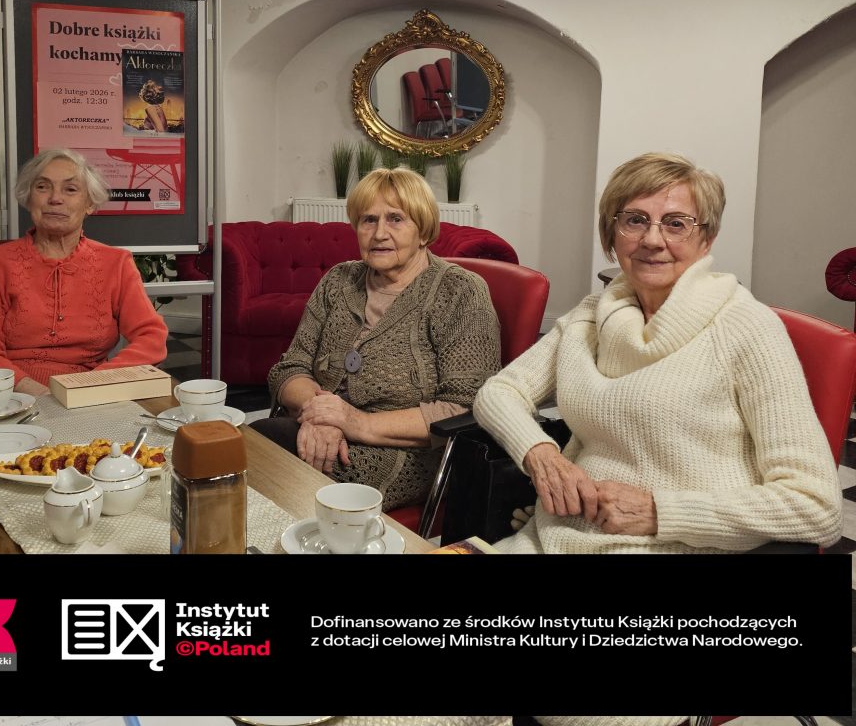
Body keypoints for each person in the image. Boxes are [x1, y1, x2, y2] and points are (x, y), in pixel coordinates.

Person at [474, 151, 842, 555]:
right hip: (558, 536)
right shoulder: (592, 316)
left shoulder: (746, 327)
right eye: (635, 220)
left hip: (678, 546)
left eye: (676, 224)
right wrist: (541, 454)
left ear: (706, 239)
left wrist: (658, 511)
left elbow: (817, 507)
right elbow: (499, 392)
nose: (652, 240)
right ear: (612, 233)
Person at [252, 168, 501, 510]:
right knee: (247, 447)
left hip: (404, 453)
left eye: (396, 219)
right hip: (314, 430)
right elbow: (291, 367)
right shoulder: (338, 281)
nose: (379, 233)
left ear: (423, 230)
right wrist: (325, 416)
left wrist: (355, 423)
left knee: (266, 463)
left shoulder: (460, 292)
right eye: (368, 220)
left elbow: (463, 408)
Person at [0, 148, 169, 396]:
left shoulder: (116, 263)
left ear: (89, 204)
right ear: (28, 198)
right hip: (10, 391)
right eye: (42, 187)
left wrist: (91, 385)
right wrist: (37, 393)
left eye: (70, 189)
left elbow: (151, 337)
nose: (55, 198)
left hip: (88, 392)